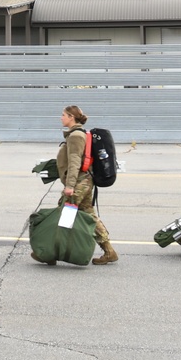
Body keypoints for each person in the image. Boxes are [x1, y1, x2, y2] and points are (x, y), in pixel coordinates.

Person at [49, 104, 118, 265]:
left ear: (71, 117)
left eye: (63, 115)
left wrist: (70, 185)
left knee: (63, 213)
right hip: (85, 180)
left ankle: (51, 252)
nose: (61, 118)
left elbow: (74, 162)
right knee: (88, 215)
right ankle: (109, 252)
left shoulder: (75, 136)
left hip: (79, 182)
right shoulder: (77, 134)